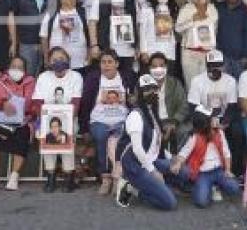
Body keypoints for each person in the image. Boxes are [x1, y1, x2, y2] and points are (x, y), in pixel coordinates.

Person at [114, 75, 178, 210]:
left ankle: (155, 186)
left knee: (183, 170)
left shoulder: (152, 111)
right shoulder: (136, 115)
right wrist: (154, 171)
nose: (152, 93)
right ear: (139, 93)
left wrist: (171, 157)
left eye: (154, 89)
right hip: (135, 164)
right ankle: (132, 188)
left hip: (149, 158)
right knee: (170, 203)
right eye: (147, 89)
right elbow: (137, 149)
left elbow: (154, 143)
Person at [79, 49, 135, 195]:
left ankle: (120, 177)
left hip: (122, 120)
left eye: (110, 62)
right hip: (99, 121)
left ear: (117, 64)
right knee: (102, 136)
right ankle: (105, 178)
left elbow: (135, 101)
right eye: (103, 62)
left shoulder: (127, 77)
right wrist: (84, 128)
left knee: (118, 139)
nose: (106, 65)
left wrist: (132, 101)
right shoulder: (93, 78)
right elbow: (85, 104)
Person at [169, 106, 241, 208]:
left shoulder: (219, 132)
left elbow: (226, 153)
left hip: (218, 170)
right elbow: (183, 153)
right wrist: (178, 163)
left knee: (234, 188)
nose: (216, 119)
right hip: (202, 173)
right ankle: (203, 187)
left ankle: (214, 186)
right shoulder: (194, 137)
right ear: (205, 122)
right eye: (213, 117)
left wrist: (228, 170)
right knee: (201, 202)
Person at [0, 56, 36, 191]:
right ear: (8, 68)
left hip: (22, 121)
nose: (16, 70)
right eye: (13, 67)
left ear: (25, 70)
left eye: (20, 67)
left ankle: (14, 176)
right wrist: (2, 103)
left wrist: (21, 107)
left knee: (23, 134)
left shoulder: (31, 83)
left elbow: (33, 104)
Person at [34, 47, 84, 192]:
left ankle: (69, 178)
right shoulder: (43, 77)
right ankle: (50, 178)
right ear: (49, 62)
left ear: (68, 60)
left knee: (67, 134)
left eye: (61, 59)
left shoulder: (76, 76)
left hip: (69, 119)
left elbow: (76, 102)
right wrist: (46, 119)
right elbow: (37, 102)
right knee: (45, 134)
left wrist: (64, 118)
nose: (58, 62)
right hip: (46, 119)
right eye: (54, 60)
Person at [187, 50, 244, 175]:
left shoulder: (230, 81)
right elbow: (193, 107)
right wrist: (208, 121)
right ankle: (197, 170)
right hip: (204, 119)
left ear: (223, 65)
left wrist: (224, 123)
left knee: (238, 132)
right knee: (193, 132)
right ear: (206, 66)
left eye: (218, 65)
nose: (215, 68)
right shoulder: (197, 81)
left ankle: (236, 171)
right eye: (212, 65)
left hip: (225, 118)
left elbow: (232, 105)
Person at [95, 0, 138, 81]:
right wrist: (94, 45)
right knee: (107, 82)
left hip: (128, 51)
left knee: (127, 82)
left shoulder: (132, 1)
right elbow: (92, 23)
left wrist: (138, 47)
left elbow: (138, 24)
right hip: (108, 50)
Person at [40, 0, 91, 75]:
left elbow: (90, 35)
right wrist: (46, 58)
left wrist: (89, 56)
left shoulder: (84, 13)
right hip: (57, 63)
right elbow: (44, 37)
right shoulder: (50, 14)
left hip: (79, 62)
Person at [13, 0, 53, 76]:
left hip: (49, 43)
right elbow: (13, 18)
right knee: (27, 76)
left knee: (47, 76)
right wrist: (15, 42)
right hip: (26, 43)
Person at [176, 0, 219, 85]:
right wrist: (192, 20)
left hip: (208, 53)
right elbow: (177, 29)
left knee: (207, 85)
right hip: (190, 54)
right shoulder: (186, 8)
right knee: (191, 86)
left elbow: (215, 30)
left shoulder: (213, 9)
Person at [147, 52, 190, 153]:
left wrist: (173, 122)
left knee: (185, 130)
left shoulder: (175, 83)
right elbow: (140, 107)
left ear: (166, 67)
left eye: (161, 66)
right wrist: (156, 125)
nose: (158, 69)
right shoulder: (143, 84)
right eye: (154, 66)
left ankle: (180, 161)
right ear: (149, 68)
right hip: (153, 122)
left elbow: (183, 106)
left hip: (173, 119)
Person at [215, 0, 247, 80]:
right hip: (222, 56)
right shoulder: (218, 7)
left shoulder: (245, 9)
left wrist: (246, 55)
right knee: (224, 86)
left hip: (240, 58)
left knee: (240, 86)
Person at [138, 0, 179, 74]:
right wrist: (143, 51)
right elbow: (142, 30)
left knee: (166, 83)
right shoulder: (147, 7)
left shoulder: (173, 8)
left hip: (169, 53)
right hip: (151, 52)